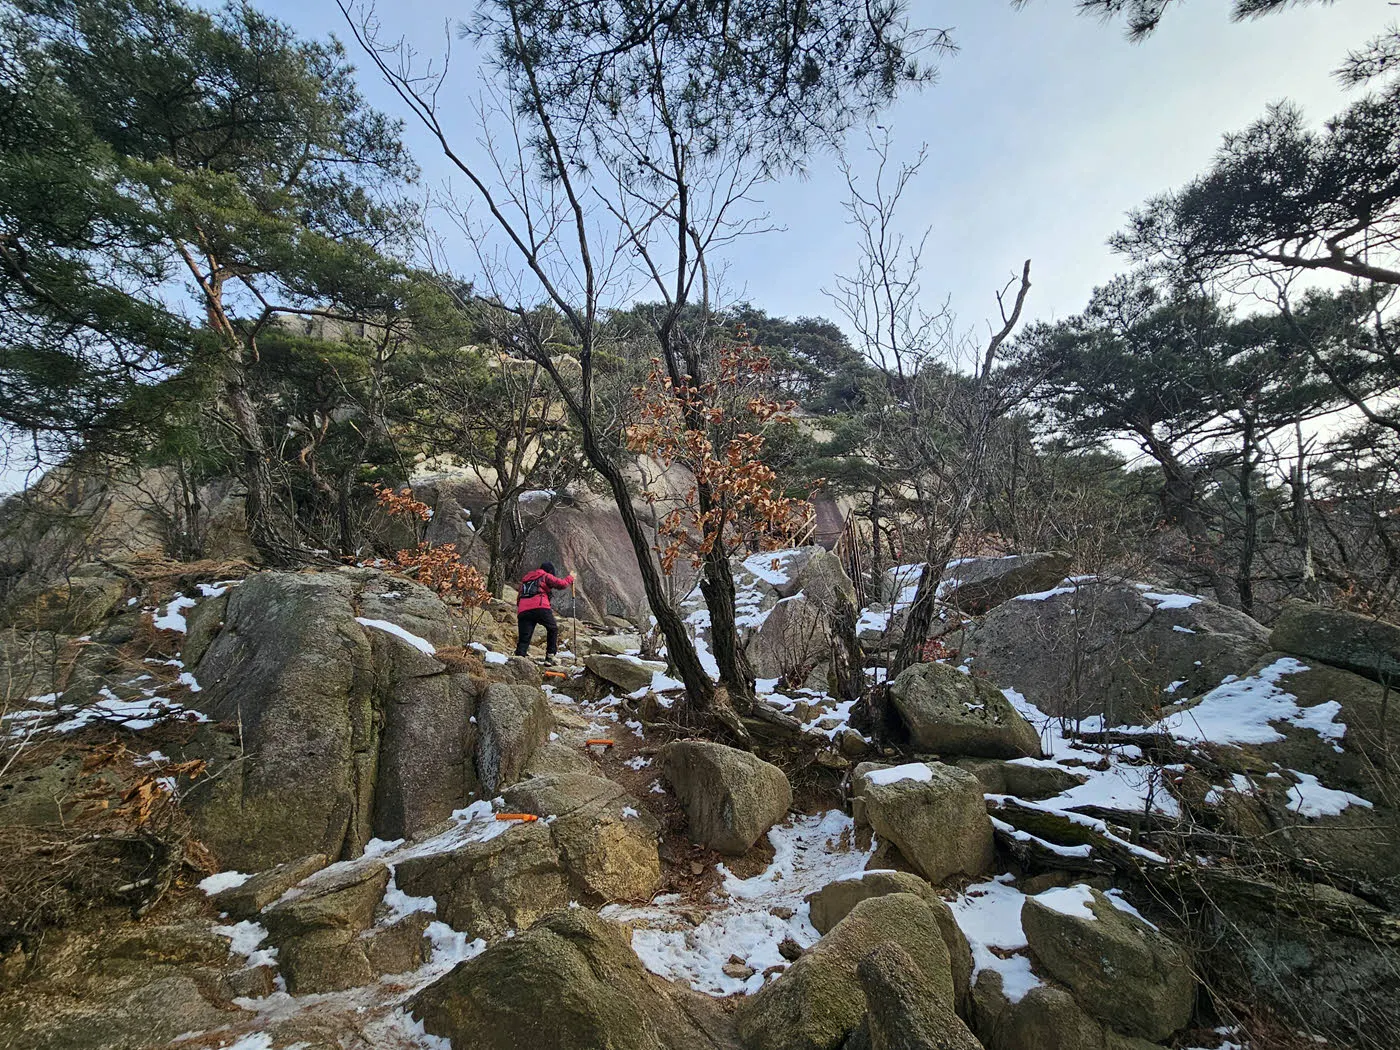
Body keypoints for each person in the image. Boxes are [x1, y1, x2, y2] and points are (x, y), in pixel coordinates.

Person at [514, 561, 574, 664]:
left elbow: (519, 596)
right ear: (550, 571)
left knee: (524, 636)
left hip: (523, 610)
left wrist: (522, 607)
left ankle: (519, 658)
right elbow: (561, 584)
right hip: (540, 607)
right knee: (552, 628)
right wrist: (571, 578)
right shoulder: (546, 576)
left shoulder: (526, 579)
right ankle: (550, 656)